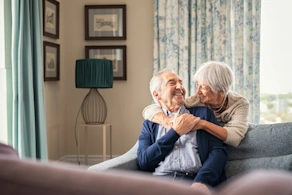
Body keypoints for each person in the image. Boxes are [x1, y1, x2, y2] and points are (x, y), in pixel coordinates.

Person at [137, 69, 227, 192]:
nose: (180, 87)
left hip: (193, 181)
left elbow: (218, 152)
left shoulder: (203, 114)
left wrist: (202, 182)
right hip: (161, 183)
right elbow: (144, 162)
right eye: (172, 83)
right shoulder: (150, 123)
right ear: (157, 94)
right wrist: (175, 133)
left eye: (181, 83)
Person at [142, 61, 249, 147]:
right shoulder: (196, 100)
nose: (198, 91)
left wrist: (202, 124)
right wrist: (167, 120)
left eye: (204, 87)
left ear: (221, 90)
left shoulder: (239, 104)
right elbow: (150, 110)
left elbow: (234, 138)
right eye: (197, 84)